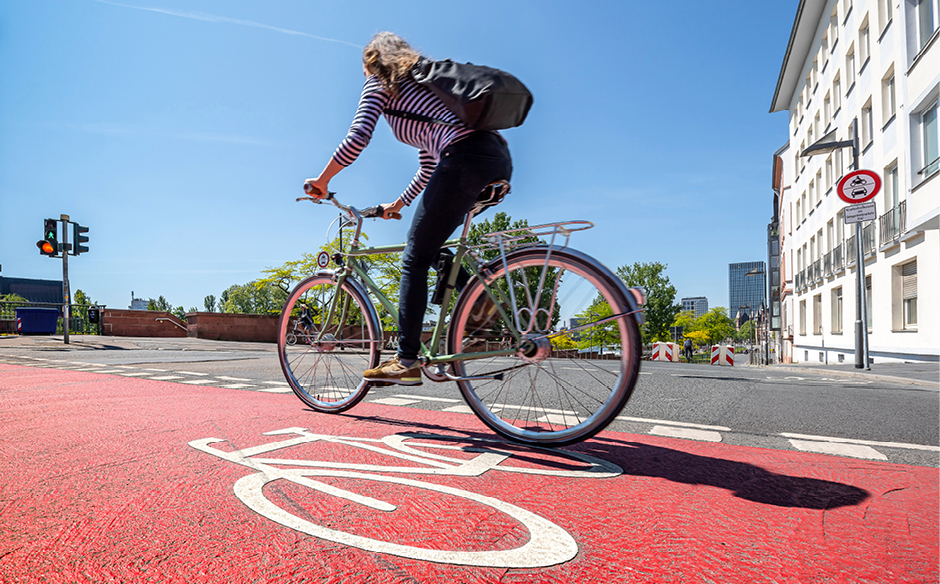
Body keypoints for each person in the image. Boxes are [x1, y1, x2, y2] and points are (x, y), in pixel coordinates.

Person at [303, 32, 513, 386]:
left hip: (463, 161)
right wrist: (398, 203)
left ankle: (406, 359)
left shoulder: (381, 82)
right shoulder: (429, 86)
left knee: (414, 258)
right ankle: (479, 307)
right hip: (495, 160)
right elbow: (429, 166)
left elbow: (358, 137)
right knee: (430, 246)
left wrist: (322, 180)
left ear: (372, 61)